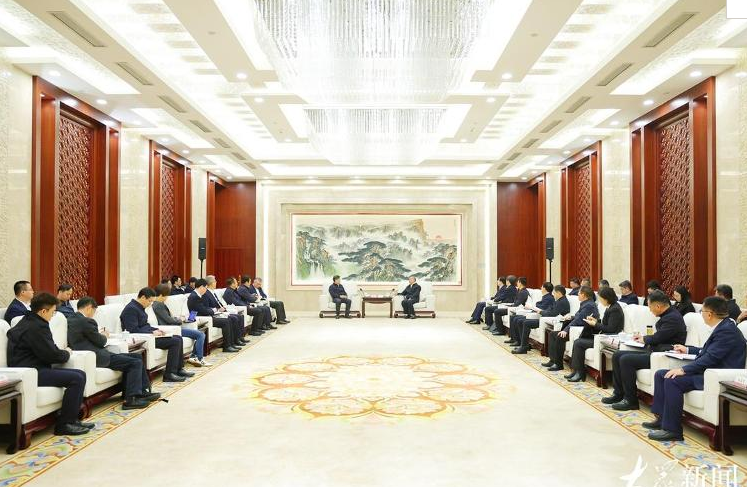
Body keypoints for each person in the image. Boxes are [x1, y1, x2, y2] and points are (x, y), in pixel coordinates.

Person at [645, 296, 747, 442]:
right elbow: (708, 351)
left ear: (710, 314)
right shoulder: (723, 327)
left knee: (672, 380)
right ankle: (661, 419)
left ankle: (672, 430)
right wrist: (687, 349)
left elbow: (710, 358)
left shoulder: (727, 331)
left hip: (717, 377)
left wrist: (683, 370)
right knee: (661, 374)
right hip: (708, 372)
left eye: (702, 311)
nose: (701, 314)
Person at [7, 293, 91, 435]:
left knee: (80, 374)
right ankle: (64, 425)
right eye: (52, 312)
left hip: (30, 368)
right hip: (31, 372)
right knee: (77, 378)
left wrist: (60, 352)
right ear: (43, 311)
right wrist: (67, 353)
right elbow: (51, 355)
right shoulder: (37, 326)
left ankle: (72, 420)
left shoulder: (29, 321)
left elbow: (48, 349)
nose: (52, 316)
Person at [67, 297, 161, 409]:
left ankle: (142, 391)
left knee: (137, 356)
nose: (93, 315)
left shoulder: (71, 319)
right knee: (135, 362)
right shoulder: (86, 321)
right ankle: (131, 399)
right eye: (94, 311)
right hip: (97, 357)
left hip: (90, 355)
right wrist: (104, 335)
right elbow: (101, 341)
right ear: (89, 308)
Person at [603, 290, 687, 411]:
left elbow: (659, 337)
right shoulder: (668, 315)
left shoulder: (673, 318)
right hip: (655, 351)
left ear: (658, 306)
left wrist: (644, 339)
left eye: (650, 307)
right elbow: (660, 336)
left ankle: (631, 400)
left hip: (663, 355)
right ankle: (618, 393)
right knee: (617, 355)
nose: (650, 310)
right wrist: (644, 338)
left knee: (626, 360)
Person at [120, 287, 194, 382]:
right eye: (149, 301)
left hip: (149, 335)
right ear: (143, 297)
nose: (150, 304)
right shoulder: (131, 309)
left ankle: (178, 369)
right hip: (143, 339)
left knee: (178, 338)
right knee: (175, 341)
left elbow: (145, 325)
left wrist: (157, 330)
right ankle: (169, 374)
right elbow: (133, 330)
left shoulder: (139, 307)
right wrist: (152, 332)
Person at [565, 286, 624, 382]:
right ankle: (576, 370)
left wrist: (595, 324)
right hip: (602, 336)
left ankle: (580, 373)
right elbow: (605, 324)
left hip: (608, 339)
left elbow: (611, 329)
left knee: (579, 343)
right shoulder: (610, 307)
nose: (600, 300)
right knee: (578, 341)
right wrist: (595, 320)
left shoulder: (615, 309)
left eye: (601, 298)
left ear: (606, 298)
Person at [153, 284, 212, 367]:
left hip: (174, 327)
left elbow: (168, 318)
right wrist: (180, 320)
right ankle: (198, 358)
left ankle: (194, 357)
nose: (167, 298)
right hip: (172, 329)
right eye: (166, 296)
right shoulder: (158, 305)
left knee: (200, 333)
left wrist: (178, 319)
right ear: (161, 295)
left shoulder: (159, 304)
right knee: (200, 334)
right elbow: (168, 320)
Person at [543, 286, 599, 372]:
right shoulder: (585, 303)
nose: (578, 294)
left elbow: (578, 320)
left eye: (579, 293)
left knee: (559, 336)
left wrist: (566, 330)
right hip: (576, 328)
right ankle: (552, 360)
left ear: (584, 295)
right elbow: (578, 317)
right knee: (552, 334)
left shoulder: (589, 305)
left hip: (582, 330)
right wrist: (571, 317)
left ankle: (558, 364)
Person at [512, 285, 571, 354]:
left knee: (526, 323)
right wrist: (541, 311)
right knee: (521, 321)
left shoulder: (562, 302)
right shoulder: (559, 300)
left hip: (550, 320)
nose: (553, 295)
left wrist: (541, 312)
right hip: (546, 319)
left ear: (559, 293)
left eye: (554, 293)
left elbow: (553, 314)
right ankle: (524, 345)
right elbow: (549, 309)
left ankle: (524, 347)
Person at [188, 279, 239, 353]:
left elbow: (204, 308)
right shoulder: (194, 296)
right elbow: (203, 310)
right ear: (201, 287)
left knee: (229, 319)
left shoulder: (197, 295)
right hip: (202, 318)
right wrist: (215, 310)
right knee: (226, 321)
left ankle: (230, 344)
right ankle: (227, 346)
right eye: (205, 288)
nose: (206, 290)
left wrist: (214, 310)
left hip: (205, 316)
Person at [206, 275, 253, 341]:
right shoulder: (208, 293)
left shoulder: (213, 292)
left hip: (222, 310)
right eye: (215, 281)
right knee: (234, 318)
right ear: (211, 283)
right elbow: (234, 302)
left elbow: (237, 301)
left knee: (240, 316)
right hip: (216, 313)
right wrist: (218, 309)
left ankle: (240, 338)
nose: (216, 282)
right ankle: (235, 340)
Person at [506, 281, 554, 346]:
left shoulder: (549, 298)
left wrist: (532, 307)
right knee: (515, 317)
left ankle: (522, 343)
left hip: (539, 316)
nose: (541, 288)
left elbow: (542, 308)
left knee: (518, 320)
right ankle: (517, 340)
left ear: (544, 288)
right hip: (535, 314)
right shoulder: (546, 296)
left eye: (542, 287)